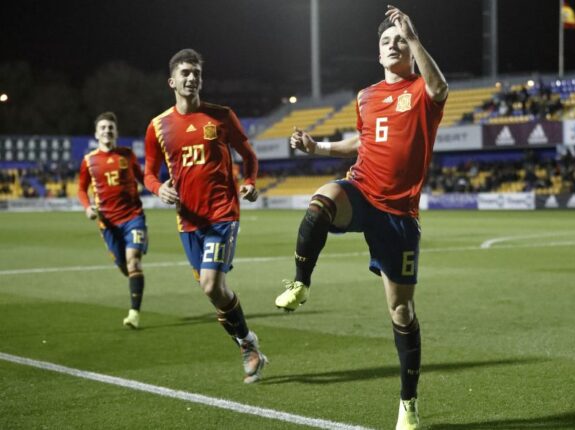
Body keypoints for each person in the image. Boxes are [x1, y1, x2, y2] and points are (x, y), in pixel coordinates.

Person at [273, 6, 448, 429]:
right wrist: (319, 149)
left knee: (401, 311)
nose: (392, 45)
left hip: (400, 213)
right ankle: (300, 281)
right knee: (320, 202)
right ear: (378, 52)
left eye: (399, 41)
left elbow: (440, 88)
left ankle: (408, 402)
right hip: (362, 190)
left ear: (410, 48)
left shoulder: (422, 91)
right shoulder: (366, 96)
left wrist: (415, 37)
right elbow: (363, 141)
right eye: (386, 41)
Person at [143, 48, 266, 383]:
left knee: (213, 285)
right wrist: (159, 190)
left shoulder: (222, 116)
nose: (191, 77)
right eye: (184, 72)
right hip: (188, 222)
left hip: (222, 214)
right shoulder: (158, 127)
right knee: (213, 292)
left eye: (196, 72)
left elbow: (249, 156)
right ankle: (248, 343)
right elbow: (149, 174)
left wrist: (251, 182)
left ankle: (247, 346)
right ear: (172, 81)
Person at [78, 112, 148, 329]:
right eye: (103, 128)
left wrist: (158, 186)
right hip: (107, 223)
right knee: (124, 267)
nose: (107, 130)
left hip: (133, 218)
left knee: (133, 261)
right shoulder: (89, 161)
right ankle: (135, 283)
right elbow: (81, 188)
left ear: (116, 132)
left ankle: (134, 314)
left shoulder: (127, 155)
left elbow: (143, 177)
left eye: (111, 127)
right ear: (96, 133)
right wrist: (88, 207)